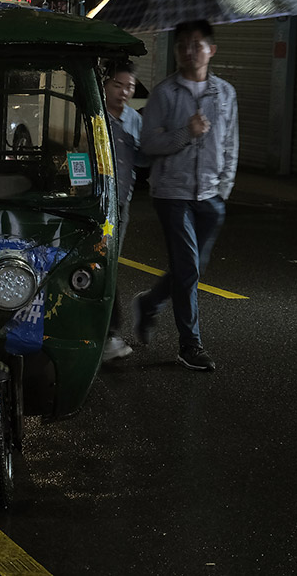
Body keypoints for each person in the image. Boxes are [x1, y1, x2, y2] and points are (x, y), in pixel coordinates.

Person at [131, 19, 239, 372]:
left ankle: (149, 303)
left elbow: (230, 144)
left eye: (196, 44)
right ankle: (190, 345)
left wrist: (223, 187)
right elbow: (148, 145)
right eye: (182, 45)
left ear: (212, 49)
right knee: (188, 268)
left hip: (210, 195)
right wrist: (186, 133)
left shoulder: (224, 94)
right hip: (172, 193)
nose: (188, 51)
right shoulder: (164, 94)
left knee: (189, 268)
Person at [100, 60, 145, 363]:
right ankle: (108, 333)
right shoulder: (96, 115)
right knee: (101, 265)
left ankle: (108, 334)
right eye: (118, 85)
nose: (124, 92)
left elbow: (143, 158)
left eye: (129, 86)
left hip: (121, 204)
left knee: (109, 265)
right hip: (97, 201)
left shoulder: (134, 120)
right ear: (105, 84)